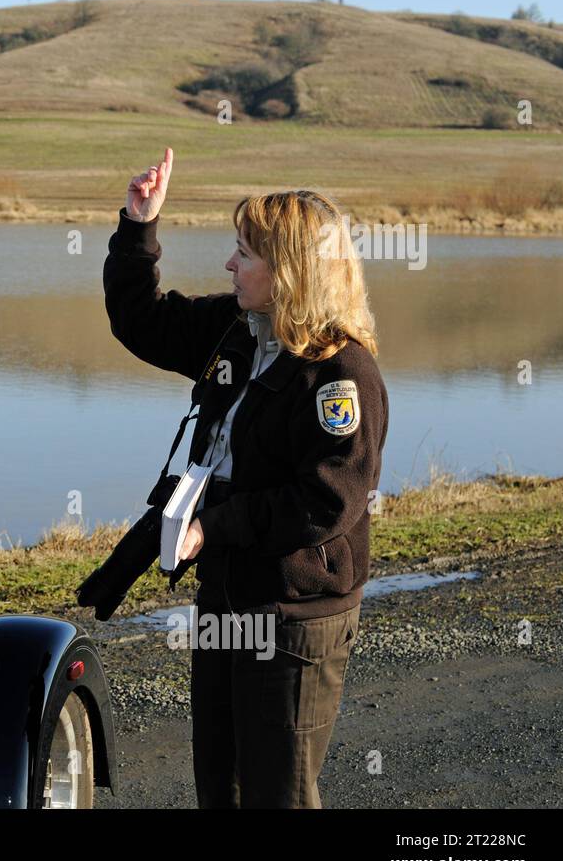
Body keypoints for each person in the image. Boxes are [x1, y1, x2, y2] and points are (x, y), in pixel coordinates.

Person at [102, 148, 388, 808]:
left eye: (245, 254)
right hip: (226, 597)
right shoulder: (237, 330)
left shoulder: (341, 375)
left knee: (278, 793)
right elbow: (140, 321)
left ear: (291, 270)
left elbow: (326, 501)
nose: (231, 264)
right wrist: (138, 227)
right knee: (221, 788)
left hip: (293, 614)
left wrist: (214, 525)